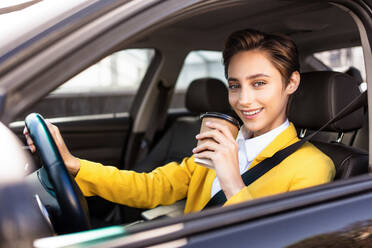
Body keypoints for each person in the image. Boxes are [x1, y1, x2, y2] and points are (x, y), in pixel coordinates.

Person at [24, 29, 335, 213]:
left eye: (259, 83)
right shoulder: (222, 142)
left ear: (291, 83)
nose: (243, 100)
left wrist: (232, 180)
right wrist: (74, 165)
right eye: (235, 85)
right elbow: (151, 187)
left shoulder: (312, 167)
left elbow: (282, 239)